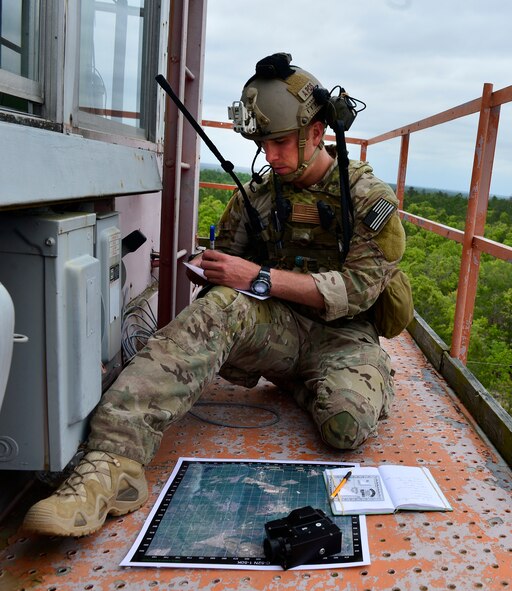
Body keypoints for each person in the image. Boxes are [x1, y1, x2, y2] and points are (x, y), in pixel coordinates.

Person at [23, 54, 409, 537]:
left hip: (344, 337)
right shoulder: (262, 196)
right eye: (263, 144)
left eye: (282, 142)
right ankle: (110, 463)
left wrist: (258, 277)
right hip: (280, 328)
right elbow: (229, 266)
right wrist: (214, 271)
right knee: (221, 308)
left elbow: (356, 291)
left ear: (317, 132)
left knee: (345, 430)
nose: (270, 156)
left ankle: (316, 382)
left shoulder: (369, 202)